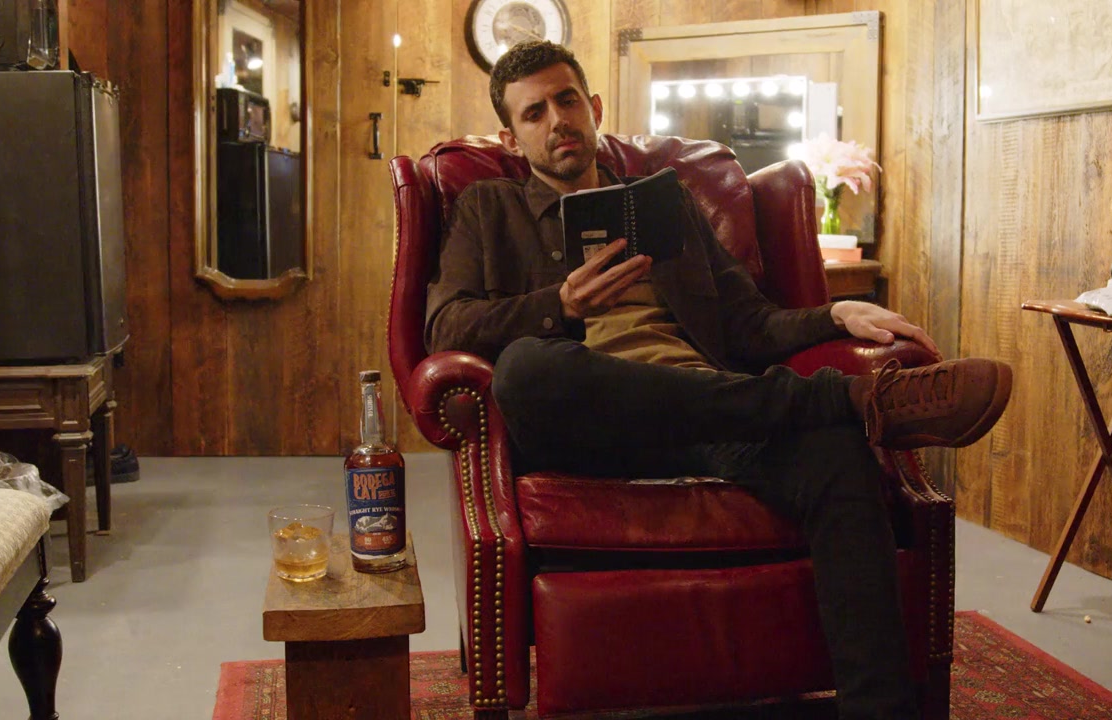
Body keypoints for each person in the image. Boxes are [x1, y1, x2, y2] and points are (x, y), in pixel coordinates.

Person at [425, 40, 1012, 720]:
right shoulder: (488, 208)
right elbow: (446, 327)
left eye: (567, 100)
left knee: (836, 453)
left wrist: (835, 313)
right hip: (587, 427)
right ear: (511, 137)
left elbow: (747, 323)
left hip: (715, 413)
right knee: (528, 367)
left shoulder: (663, 201)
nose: (557, 120)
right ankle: (847, 398)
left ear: (595, 107)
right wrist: (561, 305)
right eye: (534, 113)